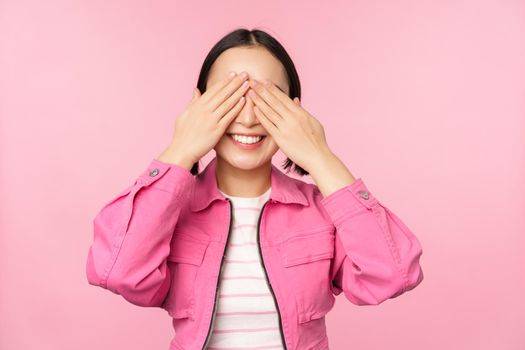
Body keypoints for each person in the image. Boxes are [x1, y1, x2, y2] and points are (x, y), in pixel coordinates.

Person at [86, 27, 424, 350]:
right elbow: (117, 272)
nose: (247, 118)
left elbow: (392, 275)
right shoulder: (170, 212)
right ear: (199, 106)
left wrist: (320, 157)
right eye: (229, 97)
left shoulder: (321, 212)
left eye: (266, 98)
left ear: (294, 110)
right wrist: (181, 149)